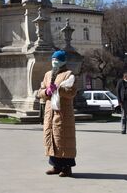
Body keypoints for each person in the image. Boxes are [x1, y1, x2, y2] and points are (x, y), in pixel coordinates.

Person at [38, 50, 77, 178]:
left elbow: (72, 92)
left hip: (63, 112)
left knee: (64, 139)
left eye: (57, 59)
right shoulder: (48, 74)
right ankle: (55, 166)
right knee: (52, 138)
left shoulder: (68, 74)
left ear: (63, 61)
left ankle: (67, 168)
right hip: (50, 112)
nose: (54, 61)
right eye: (53, 59)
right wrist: (46, 92)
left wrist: (59, 89)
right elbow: (40, 91)